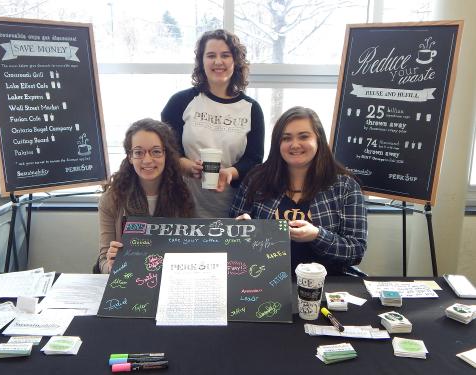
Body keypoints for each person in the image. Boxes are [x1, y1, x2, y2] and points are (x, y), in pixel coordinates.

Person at [230, 106, 367, 276]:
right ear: (277, 143)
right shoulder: (256, 179)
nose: (294, 145)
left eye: (304, 136)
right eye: (286, 138)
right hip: (264, 280)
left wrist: (317, 235)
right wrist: (240, 230)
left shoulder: (345, 186)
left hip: (326, 283)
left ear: (318, 140)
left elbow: (356, 251)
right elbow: (231, 240)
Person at [161, 29, 265, 218]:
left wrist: (230, 173)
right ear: (201, 61)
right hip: (183, 206)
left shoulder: (251, 109)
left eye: (225, 55)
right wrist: (187, 165)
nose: (218, 62)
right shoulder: (180, 102)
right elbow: (165, 150)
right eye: (211, 55)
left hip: (234, 209)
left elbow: (255, 160)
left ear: (236, 61)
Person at [96, 118, 194, 273]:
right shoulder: (111, 199)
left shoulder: (183, 194)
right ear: (130, 157)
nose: (147, 160)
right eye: (139, 152)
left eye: (156, 151)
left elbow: (192, 250)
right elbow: (102, 262)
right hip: (128, 281)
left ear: (166, 154)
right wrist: (110, 266)